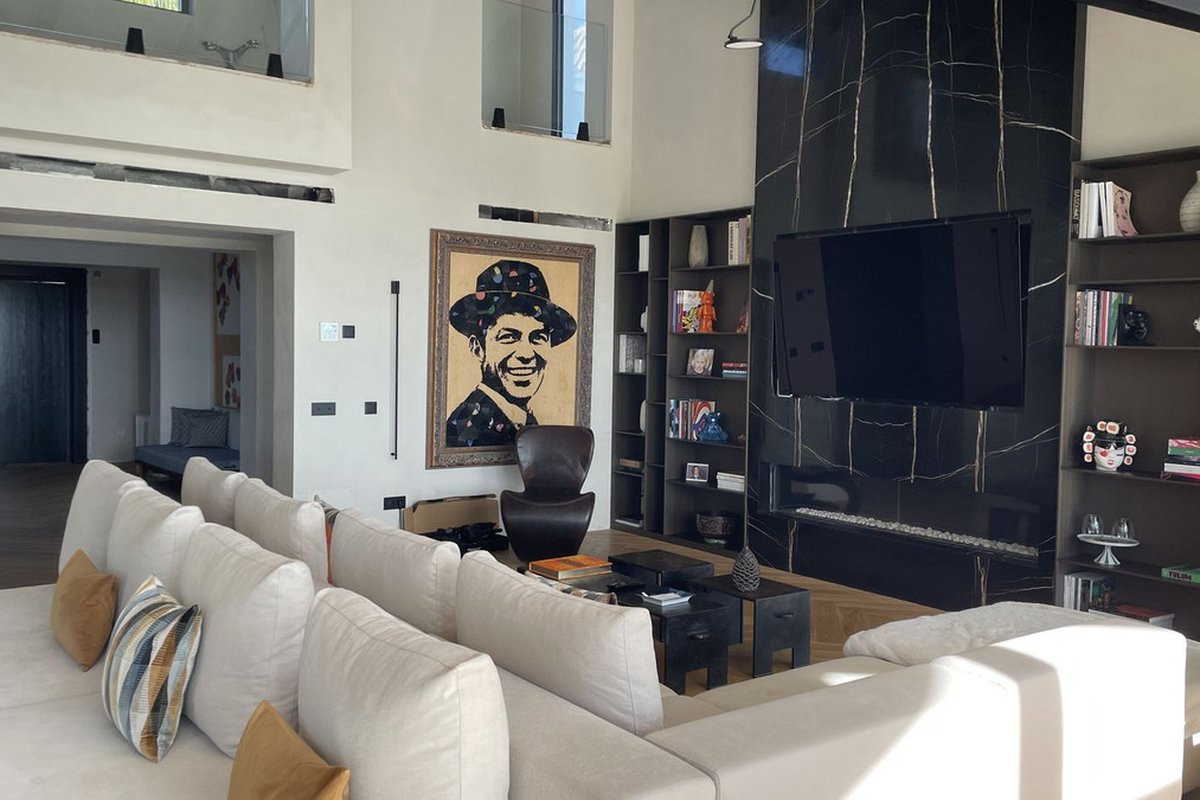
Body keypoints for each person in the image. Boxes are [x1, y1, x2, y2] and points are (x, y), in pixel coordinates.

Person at [445, 260, 576, 447]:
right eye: (508, 337)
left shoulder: (526, 420)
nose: (526, 354)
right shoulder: (463, 430)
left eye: (538, 338)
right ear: (477, 348)